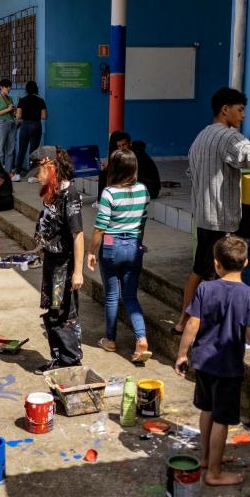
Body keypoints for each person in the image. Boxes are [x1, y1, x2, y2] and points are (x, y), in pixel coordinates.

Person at [172, 88, 250, 334]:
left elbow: (191, 173)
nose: (243, 115)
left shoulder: (201, 136)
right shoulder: (228, 137)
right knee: (214, 278)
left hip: (204, 215)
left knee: (198, 271)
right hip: (220, 219)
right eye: (239, 110)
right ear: (225, 109)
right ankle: (197, 326)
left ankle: (183, 322)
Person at [175, 236, 250, 485]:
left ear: (216, 264)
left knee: (207, 410)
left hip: (203, 361)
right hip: (227, 366)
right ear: (246, 263)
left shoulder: (204, 288)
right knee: (222, 419)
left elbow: (192, 324)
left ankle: (206, 458)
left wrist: (182, 354)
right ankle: (214, 473)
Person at [86, 148, 152, 364]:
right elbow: (142, 222)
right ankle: (141, 338)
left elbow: (100, 228)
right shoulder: (143, 190)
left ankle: (111, 340)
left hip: (111, 246)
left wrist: (90, 251)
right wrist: (137, 244)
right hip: (133, 245)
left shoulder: (109, 193)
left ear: (114, 168)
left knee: (112, 296)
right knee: (131, 296)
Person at [34, 149, 85, 375]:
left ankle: (70, 360)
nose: (37, 174)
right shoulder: (52, 193)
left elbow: (78, 234)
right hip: (52, 262)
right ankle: (58, 358)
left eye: (39, 169)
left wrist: (78, 271)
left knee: (63, 312)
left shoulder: (69, 194)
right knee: (53, 310)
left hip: (63, 267)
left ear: (51, 167)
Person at [15, 81, 47, 182]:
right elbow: (44, 116)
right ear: (36, 89)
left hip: (25, 126)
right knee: (33, 151)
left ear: (26, 89)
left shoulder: (22, 100)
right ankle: (32, 176)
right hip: (36, 125)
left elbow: (19, 116)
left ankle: (17, 174)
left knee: (22, 150)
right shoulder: (40, 101)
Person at [0, 79, 17, 180]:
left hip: (11, 123)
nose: (9, 89)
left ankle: (8, 172)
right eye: (7, 87)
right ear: (1, 87)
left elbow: (11, 112)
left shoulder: (10, 99)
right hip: (1, 123)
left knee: (10, 149)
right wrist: (8, 109)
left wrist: (14, 111)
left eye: (10, 87)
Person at [98, 131, 131, 200]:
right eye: (119, 146)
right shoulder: (121, 154)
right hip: (136, 183)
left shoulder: (132, 155)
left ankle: (103, 199)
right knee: (105, 173)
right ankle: (102, 199)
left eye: (124, 145)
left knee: (109, 174)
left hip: (147, 187)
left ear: (130, 143)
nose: (121, 148)